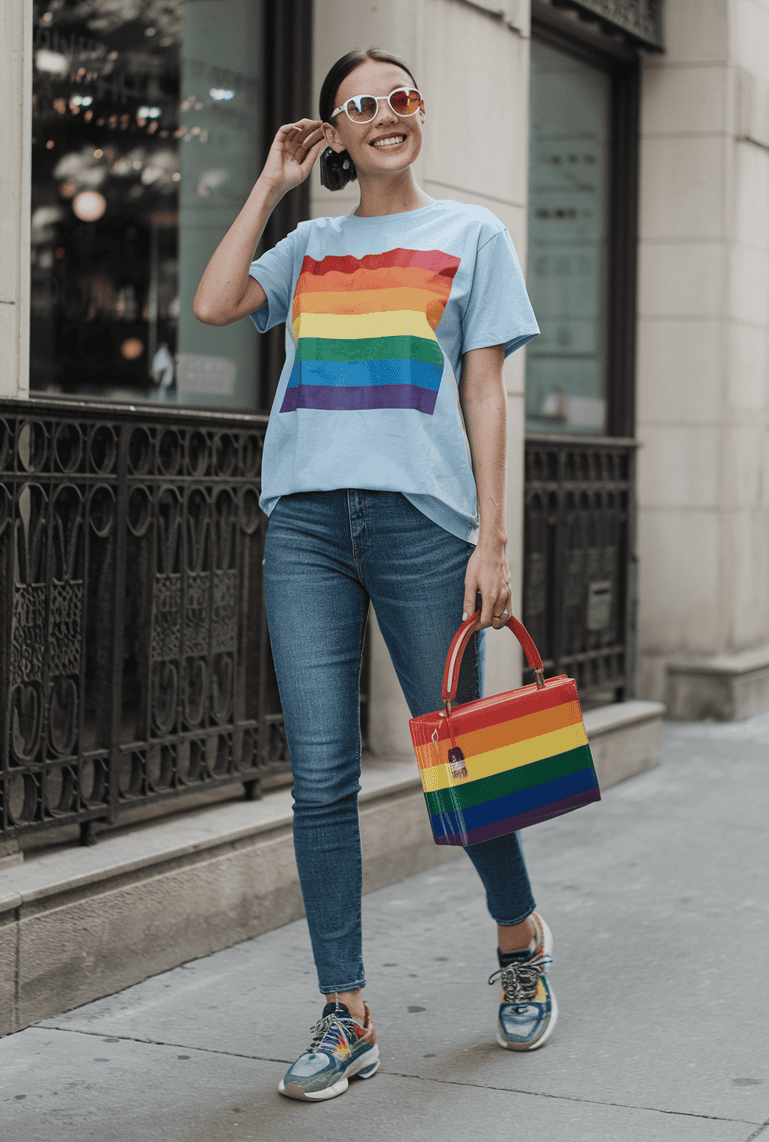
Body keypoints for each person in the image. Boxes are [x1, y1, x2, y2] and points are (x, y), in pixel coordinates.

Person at [194, 47, 554, 1103]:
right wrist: (269, 182)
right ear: (335, 137)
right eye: (362, 105)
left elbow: (483, 393)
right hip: (305, 520)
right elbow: (217, 303)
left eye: (403, 96)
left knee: (464, 759)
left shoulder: (471, 235)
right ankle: (345, 1011)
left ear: (419, 114)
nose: (388, 113)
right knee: (320, 774)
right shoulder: (308, 242)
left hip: (421, 523)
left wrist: (493, 538)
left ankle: (519, 934)